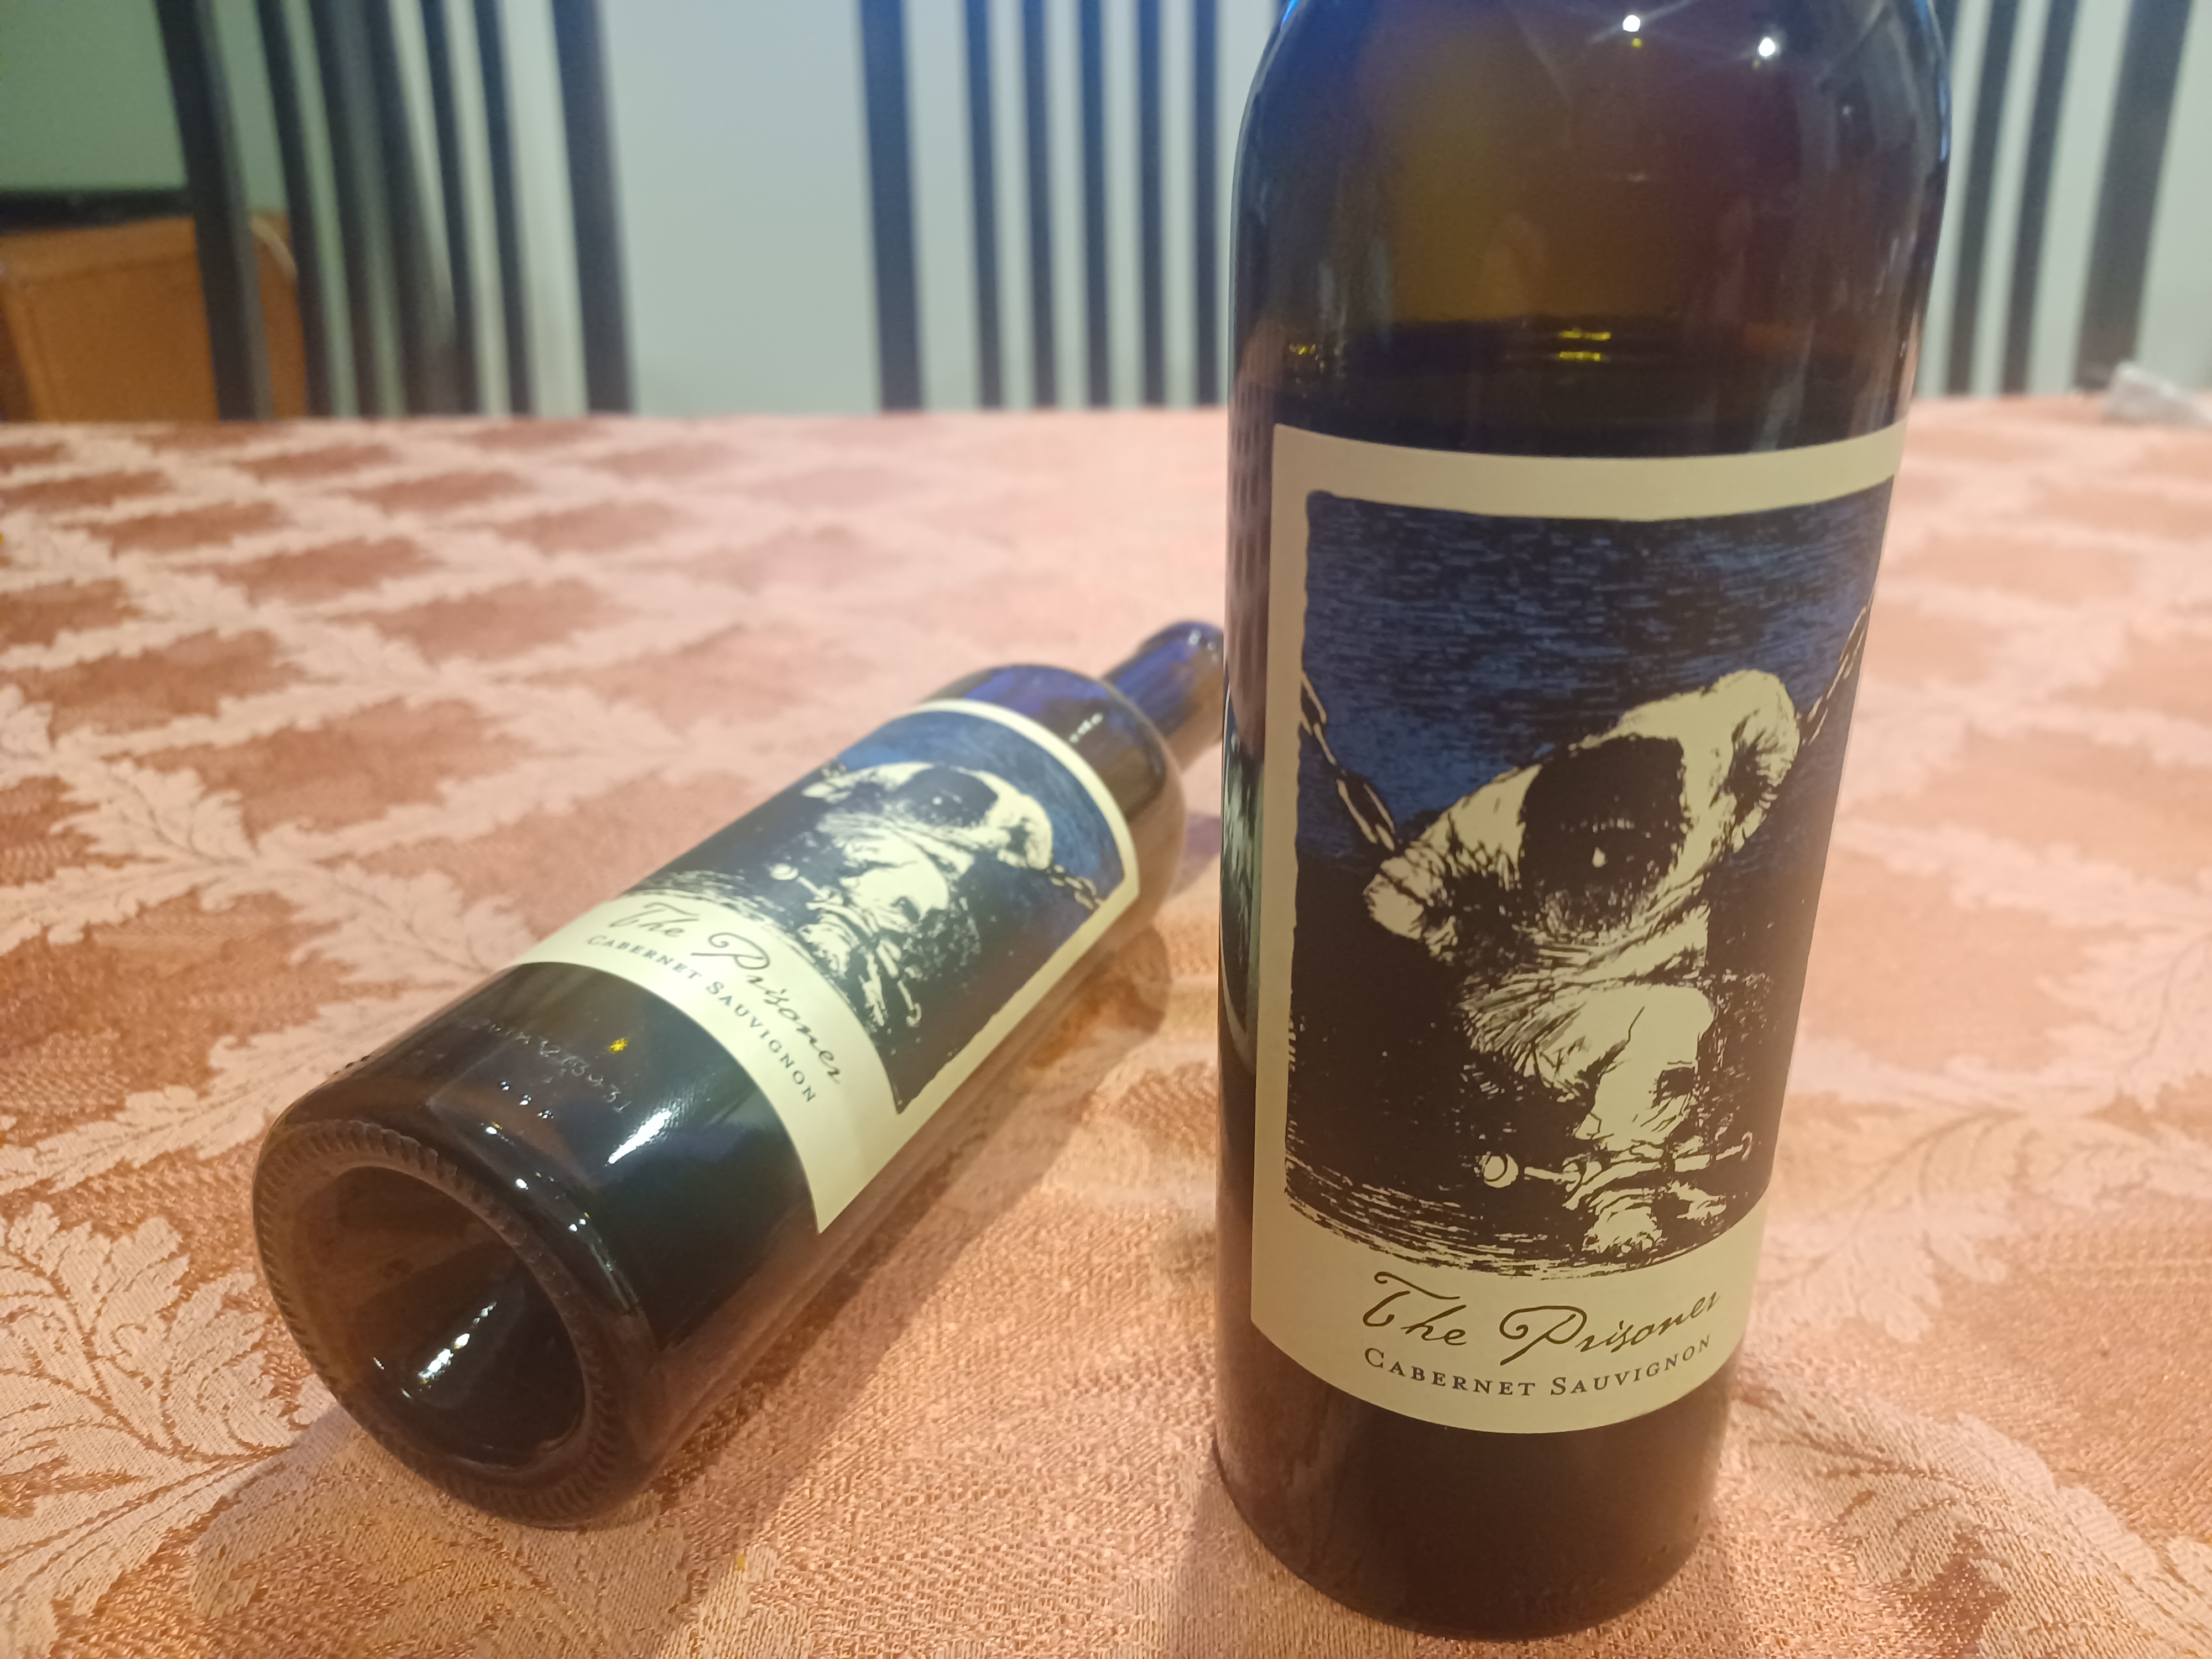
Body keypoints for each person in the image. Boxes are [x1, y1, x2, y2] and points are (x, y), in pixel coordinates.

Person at [1361, 671, 1798, 1256]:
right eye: (1580, 839)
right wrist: (1454, 940)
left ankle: (1662, 1166)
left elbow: (1764, 704)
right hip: (1531, 1003)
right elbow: (1390, 900)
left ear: (1672, 823)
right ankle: (1621, 1201)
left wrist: (1756, 800)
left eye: (1620, 843)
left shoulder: (1709, 802)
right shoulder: (1493, 820)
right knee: (1671, 1017)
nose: (1596, 857)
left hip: (1654, 981)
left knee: (1691, 1017)